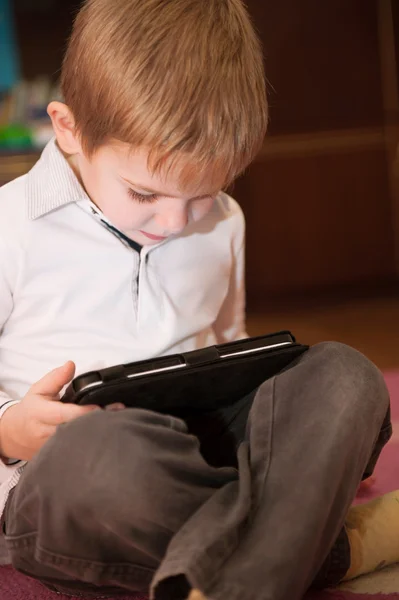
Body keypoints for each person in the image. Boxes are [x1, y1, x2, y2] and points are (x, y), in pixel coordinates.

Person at [0, 1, 396, 599]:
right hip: (67, 475)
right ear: (68, 128)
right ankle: (325, 547)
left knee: (346, 376)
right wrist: (10, 431)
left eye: (205, 193)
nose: (175, 221)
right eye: (145, 192)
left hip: (203, 449)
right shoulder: (9, 230)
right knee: (101, 454)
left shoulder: (223, 223)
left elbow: (227, 348)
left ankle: (246, 561)